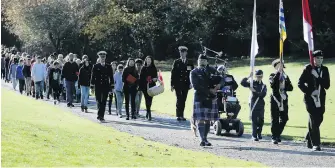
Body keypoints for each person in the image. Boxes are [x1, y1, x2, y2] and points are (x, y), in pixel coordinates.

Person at [298, 50, 330, 151]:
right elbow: (300, 83)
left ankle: (309, 137)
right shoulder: (308, 68)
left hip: (321, 98)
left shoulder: (325, 69)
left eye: (321, 58)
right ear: (313, 59)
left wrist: (318, 76)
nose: (320, 60)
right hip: (310, 98)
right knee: (313, 118)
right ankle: (316, 144)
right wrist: (310, 92)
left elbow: (327, 85)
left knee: (319, 118)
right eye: (317, 58)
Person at [190, 54, 220, 146]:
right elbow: (196, 86)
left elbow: (221, 78)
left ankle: (205, 139)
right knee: (200, 119)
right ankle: (202, 139)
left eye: (203, 60)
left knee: (208, 119)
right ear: (197, 62)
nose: (202, 62)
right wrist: (209, 90)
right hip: (199, 97)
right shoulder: (194, 72)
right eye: (200, 60)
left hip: (210, 98)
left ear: (207, 61)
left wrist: (219, 85)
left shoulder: (212, 70)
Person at [269, 59, 293, 144]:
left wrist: (284, 87)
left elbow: (291, 87)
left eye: (282, 65)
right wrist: (278, 74)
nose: (281, 67)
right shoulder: (272, 75)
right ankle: (274, 137)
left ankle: (277, 134)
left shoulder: (285, 76)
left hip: (283, 98)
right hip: (275, 99)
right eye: (279, 65)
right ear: (275, 67)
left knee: (284, 118)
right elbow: (272, 85)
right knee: (274, 118)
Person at [241, 70, 267, 141]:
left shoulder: (264, 86)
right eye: (257, 76)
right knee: (254, 119)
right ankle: (254, 135)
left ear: (262, 76)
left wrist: (254, 91)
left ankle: (259, 133)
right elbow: (242, 83)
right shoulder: (252, 83)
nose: (259, 78)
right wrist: (249, 76)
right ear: (255, 76)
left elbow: (262, 95)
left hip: (261, 104)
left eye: (260, 76)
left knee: (261, 120)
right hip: (253, 103)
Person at [171, 46, 194, 121]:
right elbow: (173, 74)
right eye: (181, 52)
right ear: (180, 53)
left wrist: (191, 83)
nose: (183, 54)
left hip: (186, 84)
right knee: (179, 98)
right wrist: (172, 84)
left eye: (184, 52)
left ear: (186, 53)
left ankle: (182, 115)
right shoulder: (176, 61)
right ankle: (178, 115)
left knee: (183, 99)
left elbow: (192, 73)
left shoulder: (189, 62)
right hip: (178, 84)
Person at [91, 51, 114, 122]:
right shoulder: (95, 66)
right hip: (98, 85)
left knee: (104, 101)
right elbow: (93, 76)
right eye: (101, 57)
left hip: (105, 86)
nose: (102, 58)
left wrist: (112, 87)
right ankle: (99, 114)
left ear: (105, 58)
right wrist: (92, 86)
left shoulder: (109, 66)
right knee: (98, 101)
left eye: (104, 57)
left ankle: (101, 116)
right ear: (99, 58)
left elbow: (111, 77)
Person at [139, 56, 158, 120]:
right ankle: (148, 112)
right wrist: (148, 79)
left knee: (150, 99)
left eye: (150, 60)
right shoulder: (143, 68)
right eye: (147, 60)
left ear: (151, 60)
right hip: (145, 86)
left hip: (152, 86)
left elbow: (156, 76)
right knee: (146, 99)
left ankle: (148, 111)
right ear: (146, 60)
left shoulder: (154, 68)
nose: (148, 61)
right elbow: (141, 77)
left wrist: (155, 79)